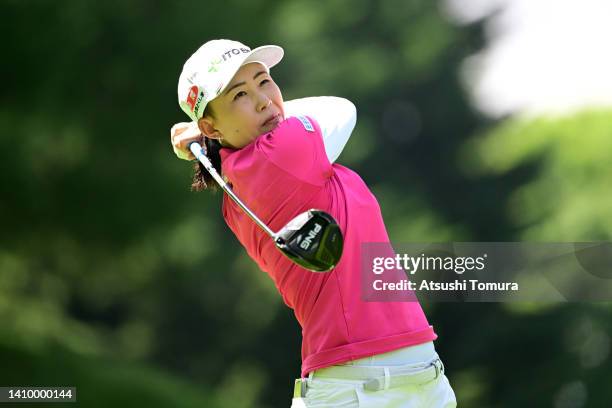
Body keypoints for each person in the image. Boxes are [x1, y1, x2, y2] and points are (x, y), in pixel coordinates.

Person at [170, 39, 457, 408]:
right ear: (210, 125)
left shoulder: (238, 182)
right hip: (361, 390)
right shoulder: (281, 154)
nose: (263, 100)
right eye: (239, 94)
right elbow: (341, 108)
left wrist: (206, 134)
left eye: (264, 81)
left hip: (407, 378)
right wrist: (200, 133)